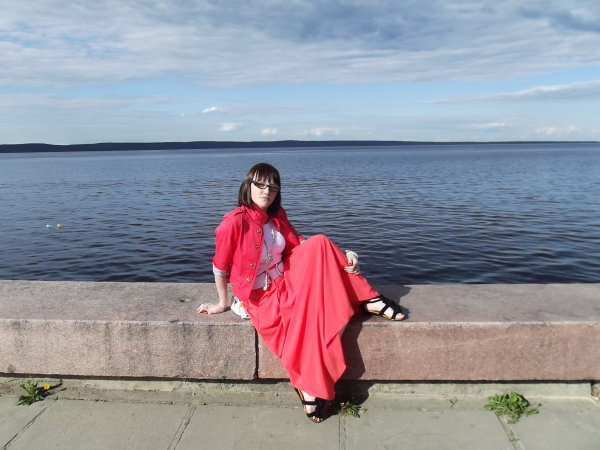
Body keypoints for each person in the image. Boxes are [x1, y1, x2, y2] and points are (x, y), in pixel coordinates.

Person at [197, 163, 404, 423]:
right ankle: (308, 384)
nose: (266, 191)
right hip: (261, 297)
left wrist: (344, 256)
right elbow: (219, 267)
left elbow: (300, 244)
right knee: (307, 321)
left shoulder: (277, 215)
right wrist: (221, 303)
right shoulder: (233, 222)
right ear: (247, 186)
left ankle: (369, 299)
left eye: (273, 186)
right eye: (260, 184)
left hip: (286, 280)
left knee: (320, 242)